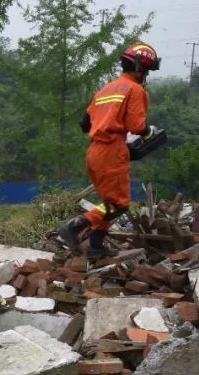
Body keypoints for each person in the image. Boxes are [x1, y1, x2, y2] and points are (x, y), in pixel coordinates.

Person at [57, 42, 162, 259]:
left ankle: (96, 246)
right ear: (140, 67)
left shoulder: (105, 89)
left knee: (109, 204)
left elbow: (85, 124)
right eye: (147, 70)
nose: (146, 75)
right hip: (112, 151)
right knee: (119, 206)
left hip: (95, 152)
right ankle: (74, 226)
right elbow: (136, 126)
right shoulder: (135, 90)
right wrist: (149, 131)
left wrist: (109, 126)